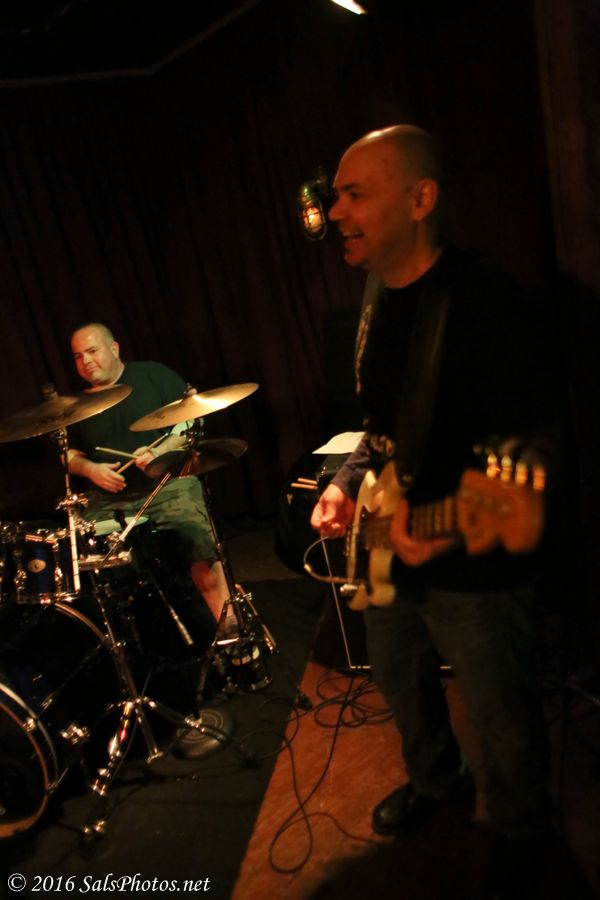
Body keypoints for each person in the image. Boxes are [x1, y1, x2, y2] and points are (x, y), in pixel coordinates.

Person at [310, 126, 557, 893]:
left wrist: (443, 525)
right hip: (392, 535)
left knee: (498, 704)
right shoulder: (377, 294)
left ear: (420, 199)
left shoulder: (487, 301)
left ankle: (524, 827)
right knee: (396, 672)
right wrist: (347, 480)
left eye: (355, 194)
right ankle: (436, 780)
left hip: (474, 553)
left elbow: (529, 454)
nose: (334, 211)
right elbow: (385, 426)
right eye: (336, 195)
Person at [67, 322, 228, 623]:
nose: (86, 361)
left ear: (114, 349)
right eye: (78, 356)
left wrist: (161, 453)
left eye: (92, 351)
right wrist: (89, 469)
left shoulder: (153, 374)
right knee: (84, 555)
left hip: (167, 484)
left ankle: (229, 625)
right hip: (108, 500)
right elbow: (69, 454)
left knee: (196, 542)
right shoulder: (76, 405)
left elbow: (190, 420)